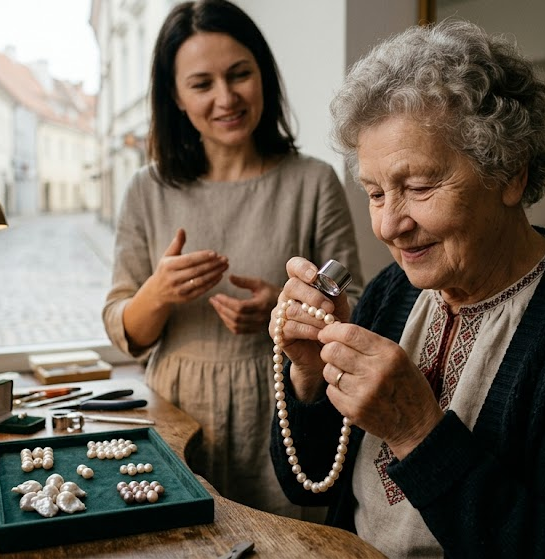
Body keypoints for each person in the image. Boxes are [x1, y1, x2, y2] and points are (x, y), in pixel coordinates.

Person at [270, 20, 545, 557]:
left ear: (509, 172)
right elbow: (306, 484)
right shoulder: (395, 291)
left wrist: (418, 432)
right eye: (374, 193)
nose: (390, 225)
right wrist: (308, 375)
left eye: (418, 188)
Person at [102, 0, 362, 517]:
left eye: (240, 74)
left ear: (263, 75)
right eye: (202, 84)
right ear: (175, 96)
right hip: (173, 410)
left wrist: (284, 313)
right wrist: (158, 293)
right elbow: (123, 329)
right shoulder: (146, 189)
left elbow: (357, 309)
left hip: (282, 412)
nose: (226, 98)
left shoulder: (312, 182)